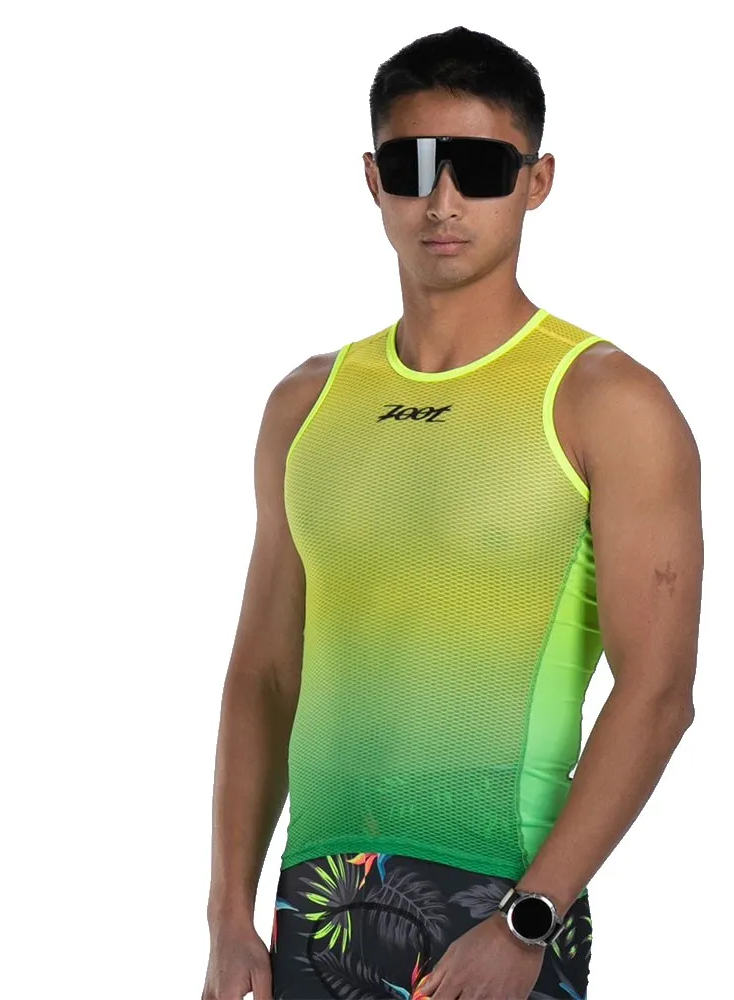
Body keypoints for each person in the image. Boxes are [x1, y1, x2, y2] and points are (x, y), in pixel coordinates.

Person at [202, 24, 703, 1000]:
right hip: (316, 896)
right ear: (372, 179)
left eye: (477, 169)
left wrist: (530, 915)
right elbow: (262, 674)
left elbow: (658, 691)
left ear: (536, 180)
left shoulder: (604, 399)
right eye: (412, 167)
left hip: (501, 904)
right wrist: (227, 917)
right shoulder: (306, 403)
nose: (441, 201)